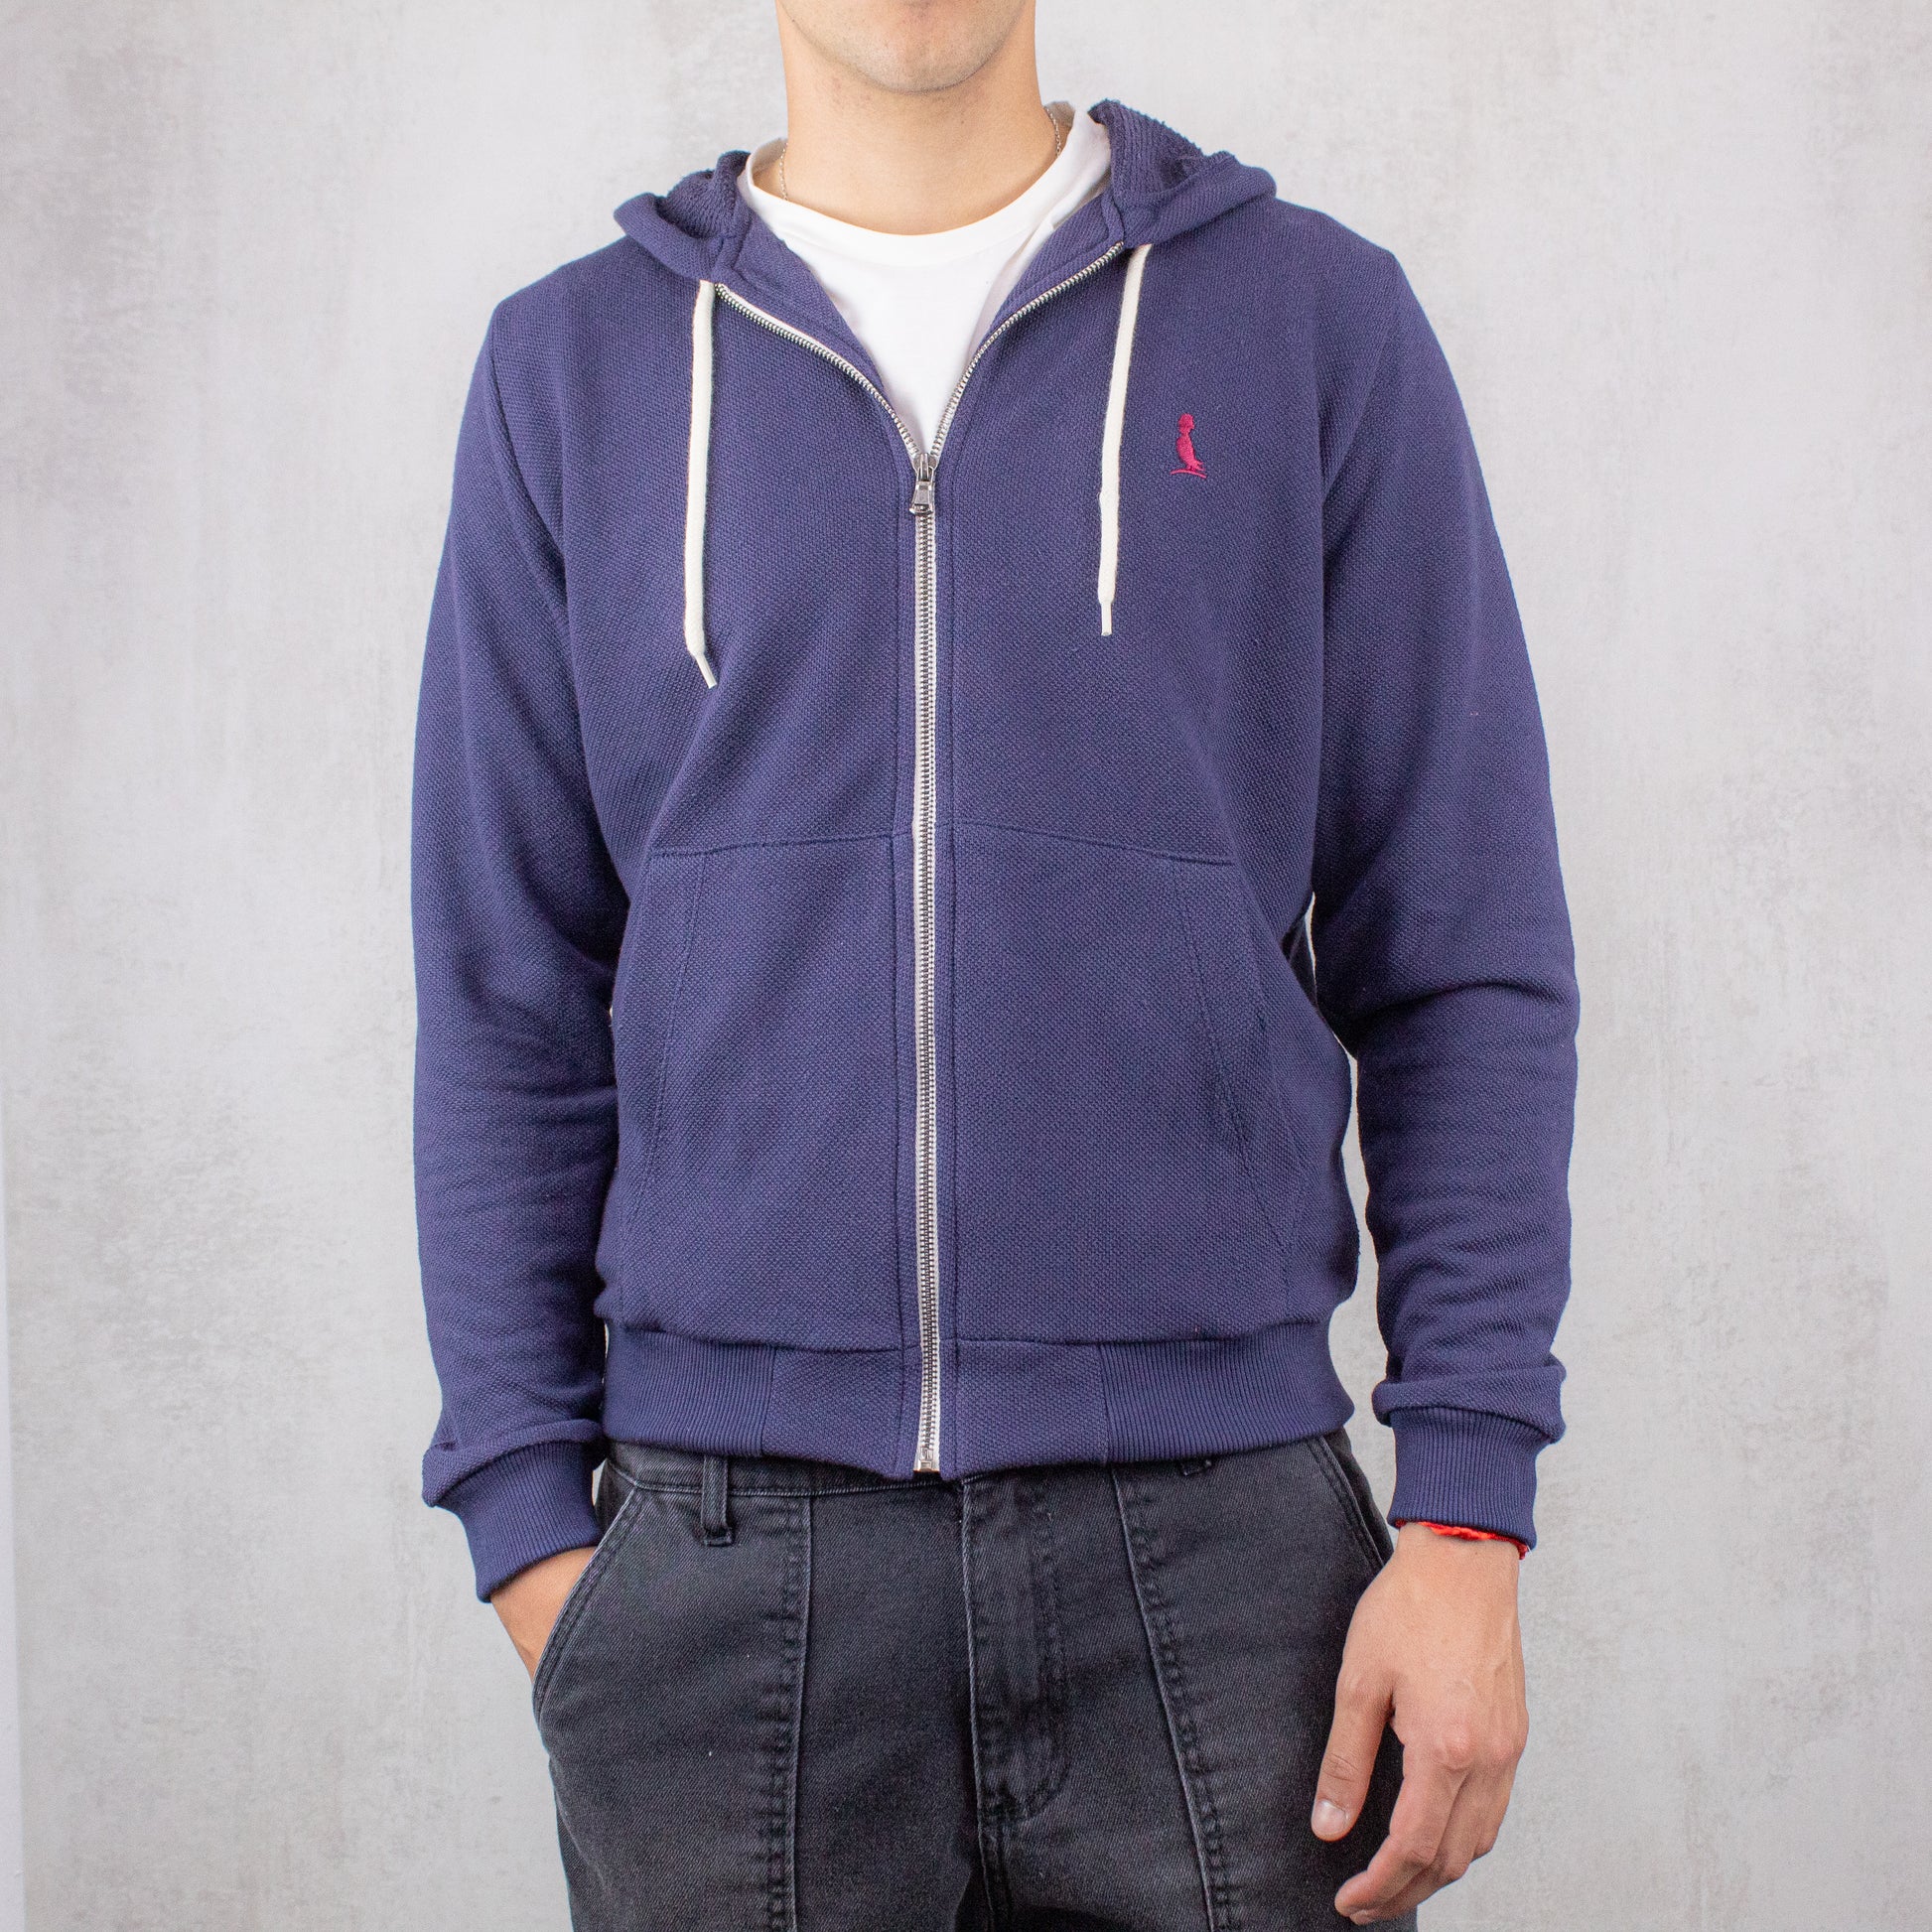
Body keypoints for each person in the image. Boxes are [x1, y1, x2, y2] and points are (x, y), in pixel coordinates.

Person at [409, 2, 1580, 1925]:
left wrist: (1466, 1504)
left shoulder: (1309, 325)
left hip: (1215, 1569)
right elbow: (504, 989)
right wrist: (536, 1530)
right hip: (729, 1581)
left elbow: (1459, 947)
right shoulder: (574, 370)